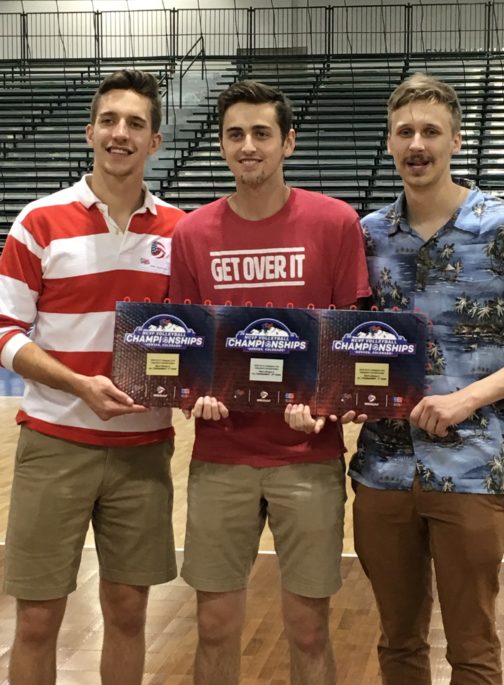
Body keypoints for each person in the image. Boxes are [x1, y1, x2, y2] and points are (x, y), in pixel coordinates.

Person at [168, 79, 370, 685]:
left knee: (308, 629)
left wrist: (325, 400)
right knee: (214, 625)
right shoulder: (192, 234)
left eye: (261, 133)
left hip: (307, 456)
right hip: (220, 457)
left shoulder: (335, 223)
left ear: (289, 142)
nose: (247, 145)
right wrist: (191, 393)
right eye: (235, 134)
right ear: (223, 146)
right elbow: (183, 345)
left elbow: (350, 335)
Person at [0, 69, 184, 685]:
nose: (120, 133)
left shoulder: (181, 234)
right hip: (55, 444)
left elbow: (195, 345)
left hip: (143, 450)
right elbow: (5, 333)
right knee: (37, 618)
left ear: (155, 141)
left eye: (135, 123)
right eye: (109, 120)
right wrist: (79, 384)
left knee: (129, 612)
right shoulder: (39, 222)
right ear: (89, 132)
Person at [348, 74, 504, 684]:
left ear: (457, 141)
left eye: (430, 131)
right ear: (389, 143)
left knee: (472, 648)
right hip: (381, 470)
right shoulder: (365, 236)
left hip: (473, 467)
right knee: (398, 644)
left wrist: (466, 398)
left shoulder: (502, 228)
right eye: (405, 131)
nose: (417, 144)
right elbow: (349, 348)